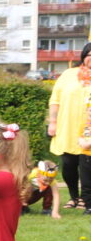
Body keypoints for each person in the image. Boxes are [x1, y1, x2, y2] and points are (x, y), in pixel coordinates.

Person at [47, 41, 91, 210]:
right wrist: (53, 122)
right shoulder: (68, 74)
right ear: (83, 56)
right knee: (68, 165)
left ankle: (86, 199)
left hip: (88, 130)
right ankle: (74, 197)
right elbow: (55, 100)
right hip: (68, 128)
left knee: (87, 166)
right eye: (89, 55)